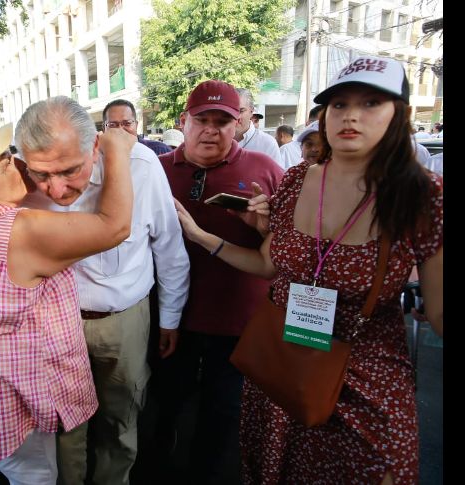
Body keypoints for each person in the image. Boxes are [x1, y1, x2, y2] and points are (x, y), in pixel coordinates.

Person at [174, 55, 442, 484]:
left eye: (372, 103)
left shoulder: (424, 195)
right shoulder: (297, 180)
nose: (351, 115)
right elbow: (267, 264)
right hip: (282, 368)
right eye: (338, 105)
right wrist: (202, 235)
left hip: (366, 383)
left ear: (400, 115)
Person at [0, 96, 190, 485]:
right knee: (63, 436)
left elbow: (168, 247)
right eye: (41, 175)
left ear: (96, 146)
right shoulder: (16, 177)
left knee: (119, 423)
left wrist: (170, 317)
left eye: (70, 170)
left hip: (120, 324)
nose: (55, 188)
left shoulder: (138, 167)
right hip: (47, 340)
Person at [155, 79, 283, 483]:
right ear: (184, 122)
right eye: (202, 120)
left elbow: (285, 254)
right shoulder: (154, 171)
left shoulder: (266, 170)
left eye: (222, 122)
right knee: (164, 404)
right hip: (169, 319)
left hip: (237, 323)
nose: (211, 130)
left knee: (223, 413)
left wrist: (263, 227)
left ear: (238, 126)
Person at [103, 99, 172, 155]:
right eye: (112, 125)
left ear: (136, 125)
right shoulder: (98, 158)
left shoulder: (160, 151)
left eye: (127, 123)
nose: (120, 130)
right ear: (104, 128)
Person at [234, 88, 282, 166]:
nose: (236, 116)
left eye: (241, 111)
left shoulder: (267, 143)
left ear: (251, 111)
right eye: (231, 110)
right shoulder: (215, 140)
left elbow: (277, 177)